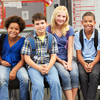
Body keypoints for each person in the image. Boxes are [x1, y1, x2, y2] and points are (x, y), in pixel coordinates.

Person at [21, 13, 62, 100]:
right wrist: (39, 68)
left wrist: (48, 67)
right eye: (37, 24)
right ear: (34, 26)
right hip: (34, 66)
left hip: (48, 65)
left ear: (46, 23)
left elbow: (53, 56)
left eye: (42, 23)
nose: (40, 26)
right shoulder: (28, 39)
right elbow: (27, 58)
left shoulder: (51, 38)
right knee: (38, 86)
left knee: (55, 83)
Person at [46, 6, 79, 100]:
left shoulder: (69, 29)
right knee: (65, 75)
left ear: (66, 18)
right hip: (55, 58)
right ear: (54, 16)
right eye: (59, 16)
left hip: (67, 57)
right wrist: (61, 62)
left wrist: (68, 63)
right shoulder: (48, 30)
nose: (61, 19)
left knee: (75, 74)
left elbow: (70, 48)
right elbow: (49, 50)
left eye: (63, 16)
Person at [0, 15, 29, 100]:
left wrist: (14, 70)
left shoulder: (23, 40)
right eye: (11, 28)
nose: (13, 31)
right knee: (2, 79)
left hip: (18, 65)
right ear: (7, 28)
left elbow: (23, 59)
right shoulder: (2, 37)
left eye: (16, 29)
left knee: (25, 79)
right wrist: (1, 61)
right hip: (4, 64)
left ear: (20, 30)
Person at [74, 12, 100, 100]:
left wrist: (92, 64)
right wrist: (85, 64)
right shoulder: (78, 35)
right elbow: (78, 54)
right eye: (85, 21)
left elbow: (99, 54)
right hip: (82, 61)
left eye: (90, 21)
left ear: (94, 23)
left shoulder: (99, 35)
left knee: (94, 75)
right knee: (82, 75)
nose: (88, 23)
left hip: (95, 60)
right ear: (82, 23)